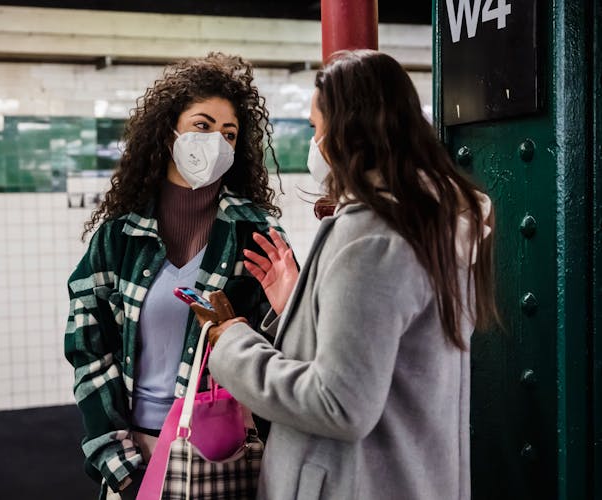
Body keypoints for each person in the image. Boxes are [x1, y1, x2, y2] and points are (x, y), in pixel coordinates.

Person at [191, 50, 498, 500]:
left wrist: (234, 343)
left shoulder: (373, 239)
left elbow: (338, 404)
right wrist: (298, 305)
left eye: (317, 129)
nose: (314, 145)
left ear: (348, 130)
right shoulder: (430, 222)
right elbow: (383, 363)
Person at [63, 53, 290, 499]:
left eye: (230, 134)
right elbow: (88, 350)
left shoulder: (256, 233)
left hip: (222, 452)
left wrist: (289, 307)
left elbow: (285, 347)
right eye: (202, 126)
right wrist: (117, 462)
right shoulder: (117, 239)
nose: (217, 143)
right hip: (136, 452)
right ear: (167, 132)